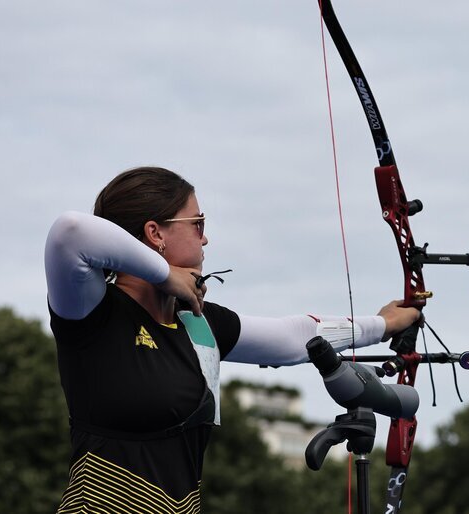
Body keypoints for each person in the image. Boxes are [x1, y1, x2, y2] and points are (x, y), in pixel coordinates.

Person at [44, 166, 420, 513]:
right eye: (197, 223)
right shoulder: (93, 311)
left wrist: (382, 324)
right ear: (155, 233)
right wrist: (165, 275)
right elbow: (70, 232)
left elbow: (296, 337)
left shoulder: (198, 323)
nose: (205, 238)